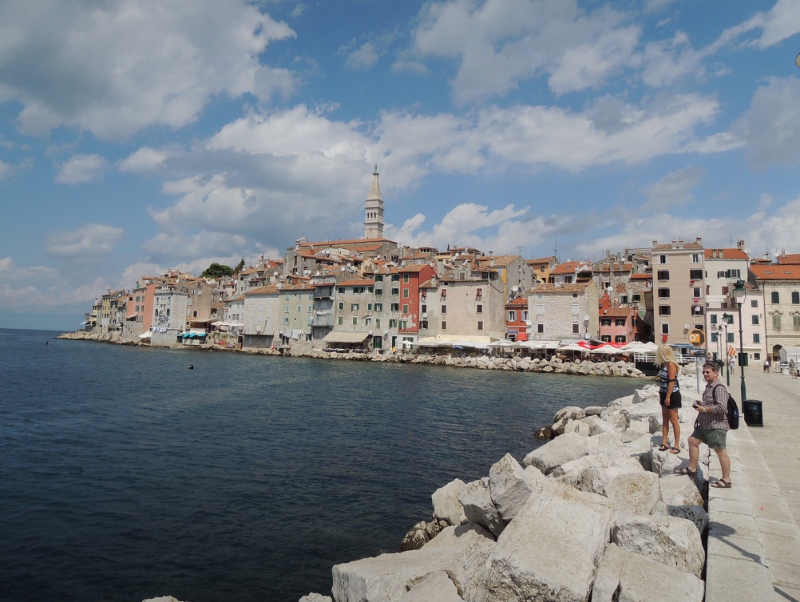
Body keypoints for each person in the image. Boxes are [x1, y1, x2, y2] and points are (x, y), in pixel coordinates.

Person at [676, 362, 732, 488]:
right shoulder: (709, 386)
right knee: (692, 441)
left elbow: (722, 407)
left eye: (708, 372)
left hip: (716, 425)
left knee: (720, 451)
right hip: (705, 424)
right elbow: (711, 402)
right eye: (703, 372)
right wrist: (701, 403)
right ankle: (692, 468)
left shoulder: (719, 387)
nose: (705, 374)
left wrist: (704, 409)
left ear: (716, 372)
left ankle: (726, 480)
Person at [655, 344, 681, 454]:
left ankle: (676, 445)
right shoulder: (663, 364)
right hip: (663, 393)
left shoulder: (671, 364)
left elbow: (671, 381)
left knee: (674, 420)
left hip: (672, 394)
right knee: (665, 419)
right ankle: (664, 442)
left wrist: (668, 397)